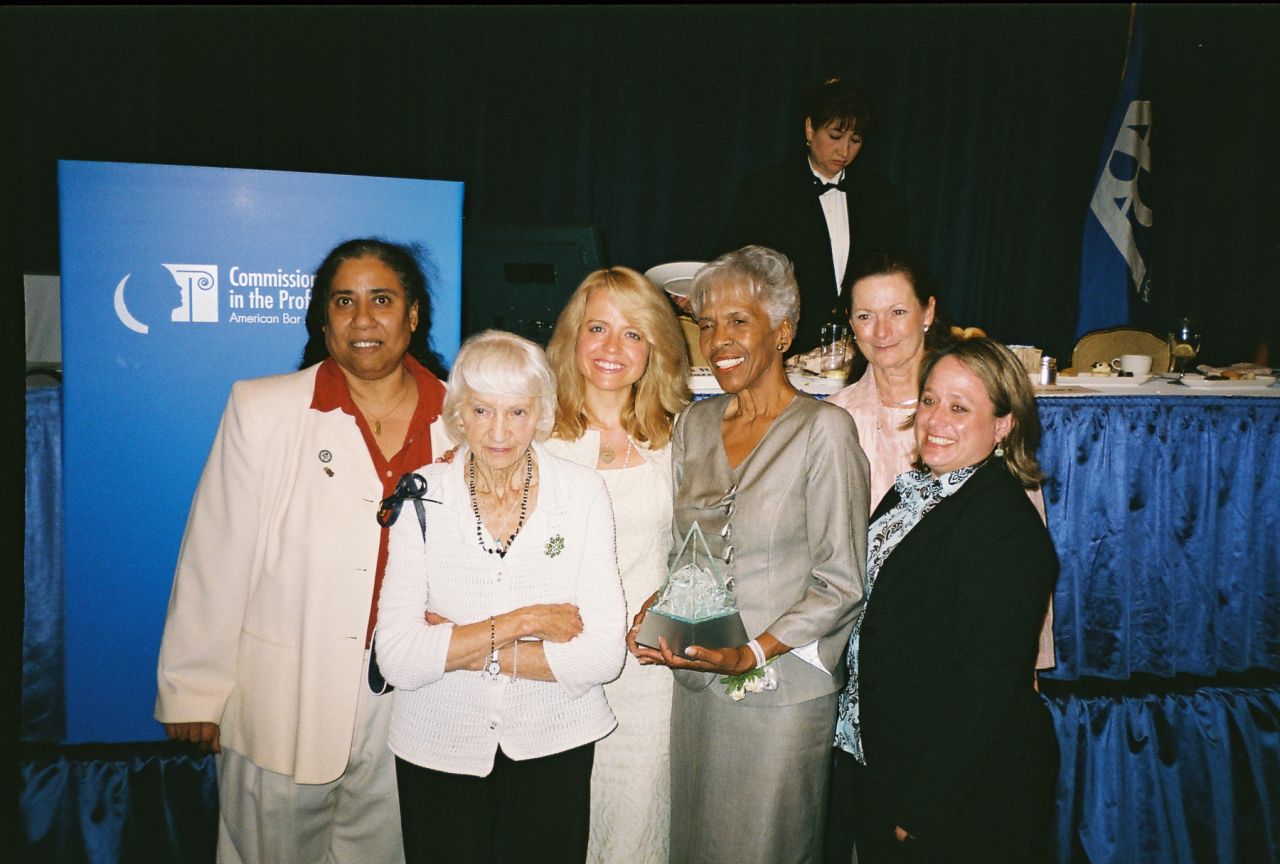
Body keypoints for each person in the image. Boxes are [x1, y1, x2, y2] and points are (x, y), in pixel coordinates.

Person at [155, 238, 450, 863]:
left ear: (414, 314)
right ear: (323, 319)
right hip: (284, 693)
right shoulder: (264, 409)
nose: (364, 319)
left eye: (383, 299)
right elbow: (215, 552)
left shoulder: (464, 418)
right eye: (344, 301)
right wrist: (193, 688)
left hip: (415, 696)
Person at [630, 245, 870, 863]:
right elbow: (689, 553)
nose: (718, 340)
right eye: (707, 324)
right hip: (700, 686)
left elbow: (842, 584)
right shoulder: (694, 425)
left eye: (739, 321)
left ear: (783, 332)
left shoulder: (825, 431)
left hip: (783, 692)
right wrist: (662, 609)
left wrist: (752, 651)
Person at [375, 330, 627, 864]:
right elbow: (396, 657)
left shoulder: (580, 493)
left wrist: (457, 646)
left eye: (517, 412)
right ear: (459, 413)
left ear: (540, 413)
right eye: (482, 410)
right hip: (437, 745)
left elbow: (602, 654)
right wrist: (526, 621)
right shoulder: (421, 495)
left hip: (553, 741)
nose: (499, 432)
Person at [833, 338, 1059, 864]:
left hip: (958, 792)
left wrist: (924, 807)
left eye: (960, 408)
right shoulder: (914, 491)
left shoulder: (1002, 527)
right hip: (889, 758)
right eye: (930, 400)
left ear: (1003, 425)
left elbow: (989, 690)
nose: (936, 419)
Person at [543, 267, 691, 864]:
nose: (611, 348)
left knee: (635, 831)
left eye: (632, 334)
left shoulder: (681, 439)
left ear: (655, 346)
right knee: (552, 830)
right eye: (597, 328)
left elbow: (706, 551)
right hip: (550, 666)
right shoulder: (531, 435)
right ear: (572, 338)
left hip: (644, 673)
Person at [715, 77, 906, 355]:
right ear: (809, 129)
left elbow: (892, 273)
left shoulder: (881, 197)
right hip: (785, 346)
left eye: (855, 140)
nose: (844, 151)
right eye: (835, 137)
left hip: (859, 348)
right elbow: (731, 261)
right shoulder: (766, 188)